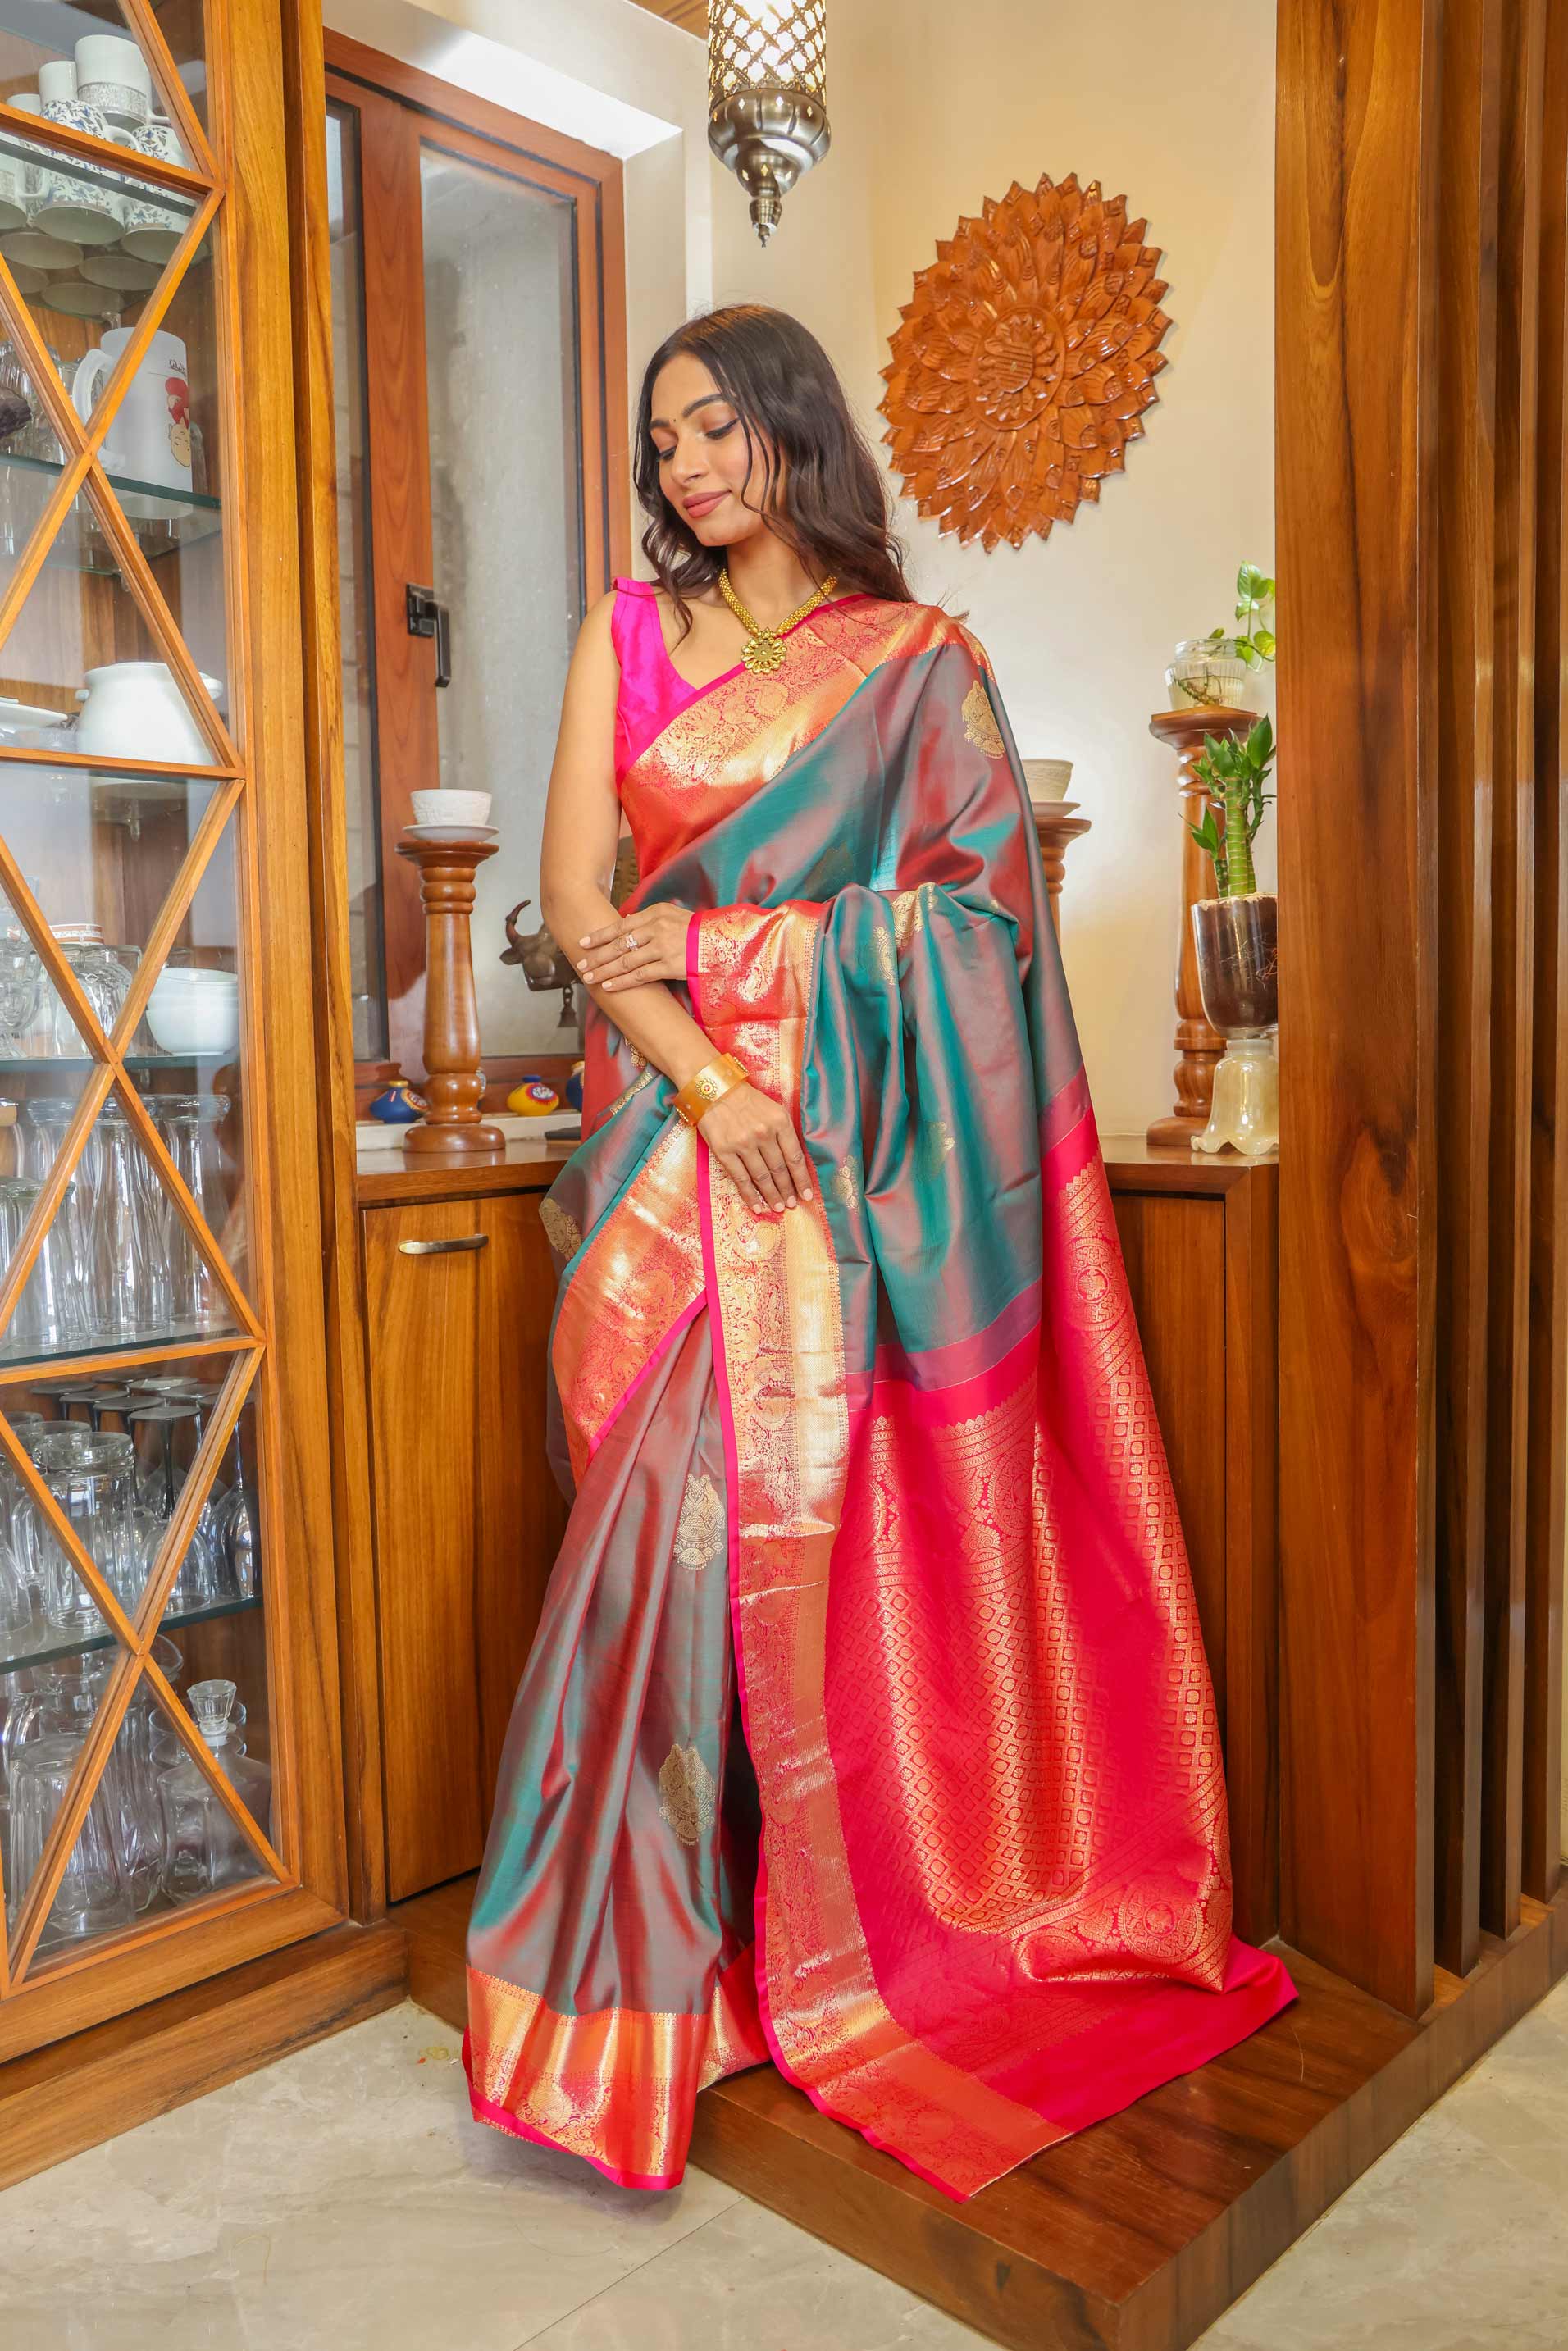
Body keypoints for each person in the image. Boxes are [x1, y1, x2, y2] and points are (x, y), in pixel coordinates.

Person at [462, 303, 1297, 2203]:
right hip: (679, 1163)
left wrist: (738, 955)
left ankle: (803, 1951)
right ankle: (632, 1999)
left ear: (790, 426)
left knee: (811, 1576)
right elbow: (581, 903)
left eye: (713, 427)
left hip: (854, 1184)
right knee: (653, 1572)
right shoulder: (626, 636)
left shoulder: (921, 665)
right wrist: (705, 1084)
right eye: (661, 439)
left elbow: (980, 935)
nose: (684, 465)